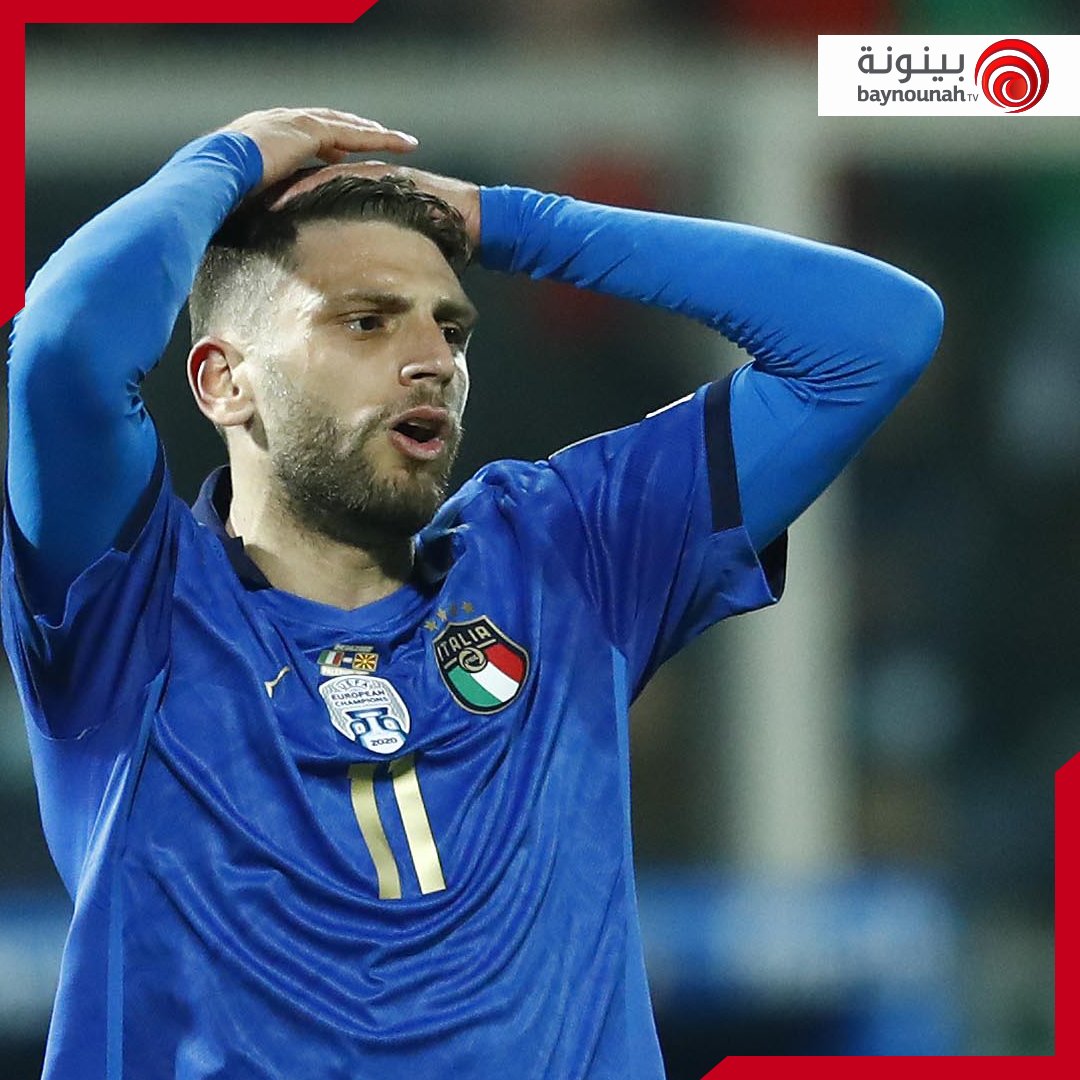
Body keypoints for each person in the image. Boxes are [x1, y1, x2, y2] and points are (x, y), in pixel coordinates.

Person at [3, 107, 943, 1078]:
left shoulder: (564, 555)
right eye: (366, 321)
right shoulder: (128, 609)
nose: (432, 360)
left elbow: (872, 338)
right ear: (223, 382)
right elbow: (65, 344)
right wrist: (224, 160)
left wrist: (511, 222)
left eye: (449, 327)